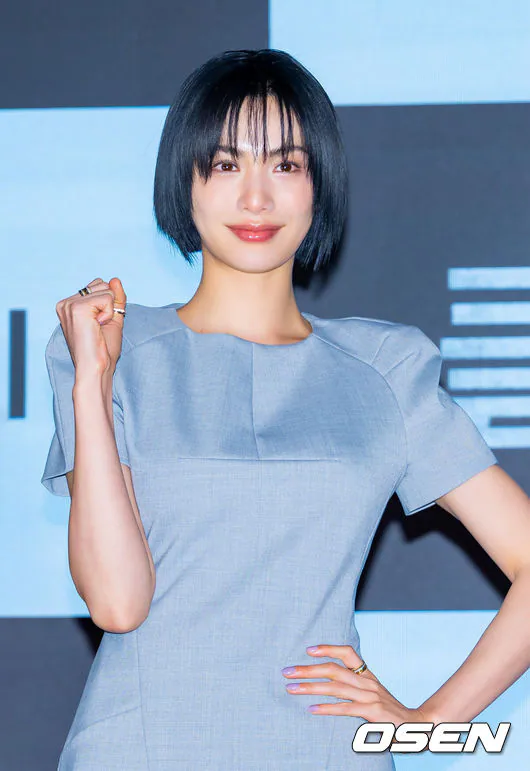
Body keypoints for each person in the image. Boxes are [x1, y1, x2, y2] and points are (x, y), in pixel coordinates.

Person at [41, 49, 527, 770]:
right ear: (184, 180)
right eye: (227, 164)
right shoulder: (112, 349)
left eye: (286, 165)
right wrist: (92, 377)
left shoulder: (385, 369)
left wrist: (425, 724)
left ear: (319, 186)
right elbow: (117, 602)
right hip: (140, 747)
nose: (256, 198)